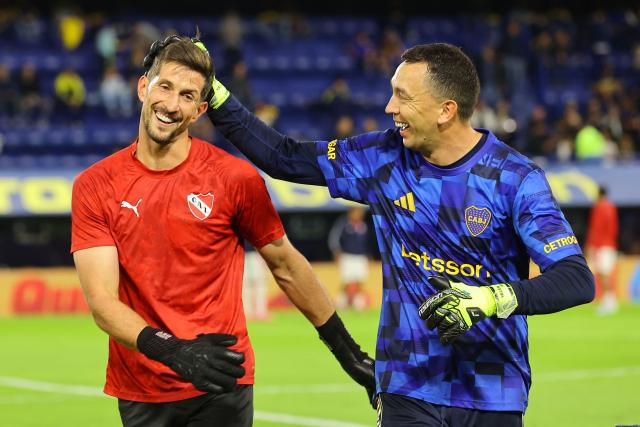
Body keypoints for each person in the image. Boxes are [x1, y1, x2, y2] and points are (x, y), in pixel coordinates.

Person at [206, 42, 595, 426]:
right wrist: (214, 93)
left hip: (493, 391)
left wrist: (490, 299)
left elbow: (576, 279)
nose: (390, 108)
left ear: (446, 110)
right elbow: (283, 157)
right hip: (407, 389)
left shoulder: (515, 178)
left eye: (403, 97)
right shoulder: (382, 157)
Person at [70, 34, 375, 427]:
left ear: (200, 110)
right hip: (143, 388)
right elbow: (102, 303)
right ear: (143, 87)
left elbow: (286, 264)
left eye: (186, 96)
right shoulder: (96, 185)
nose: (171, 104)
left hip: (223, 384)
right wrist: (174, 351)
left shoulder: (235, 178)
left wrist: (348, 352)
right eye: (164, 87)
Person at [328, 206, 371, 310]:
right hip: (347, 257)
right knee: (346, 282)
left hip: (361, 257)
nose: (359, 214)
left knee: (360, 281)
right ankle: (341, 304)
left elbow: (368, 243)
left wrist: (368, 255)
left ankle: (358, 305)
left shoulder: (364, 226)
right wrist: (337, 253)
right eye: (356, 212)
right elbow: (334, 239)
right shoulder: (343, 225)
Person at [586, 185, 619, 315]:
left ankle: (609, 302)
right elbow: (614, 228)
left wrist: (592, 245)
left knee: (603, 273)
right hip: (610, 244)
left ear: (598, 194)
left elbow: (596, 228)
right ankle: (610, 300)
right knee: (605, 273)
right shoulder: (612, 207)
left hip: (601, 245)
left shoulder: (599, 207)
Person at [242, 243, 269, 321]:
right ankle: (250, 312)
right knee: (248, 286)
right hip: (245, 254)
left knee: (258, 285)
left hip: (253, 255)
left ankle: (260, 311)